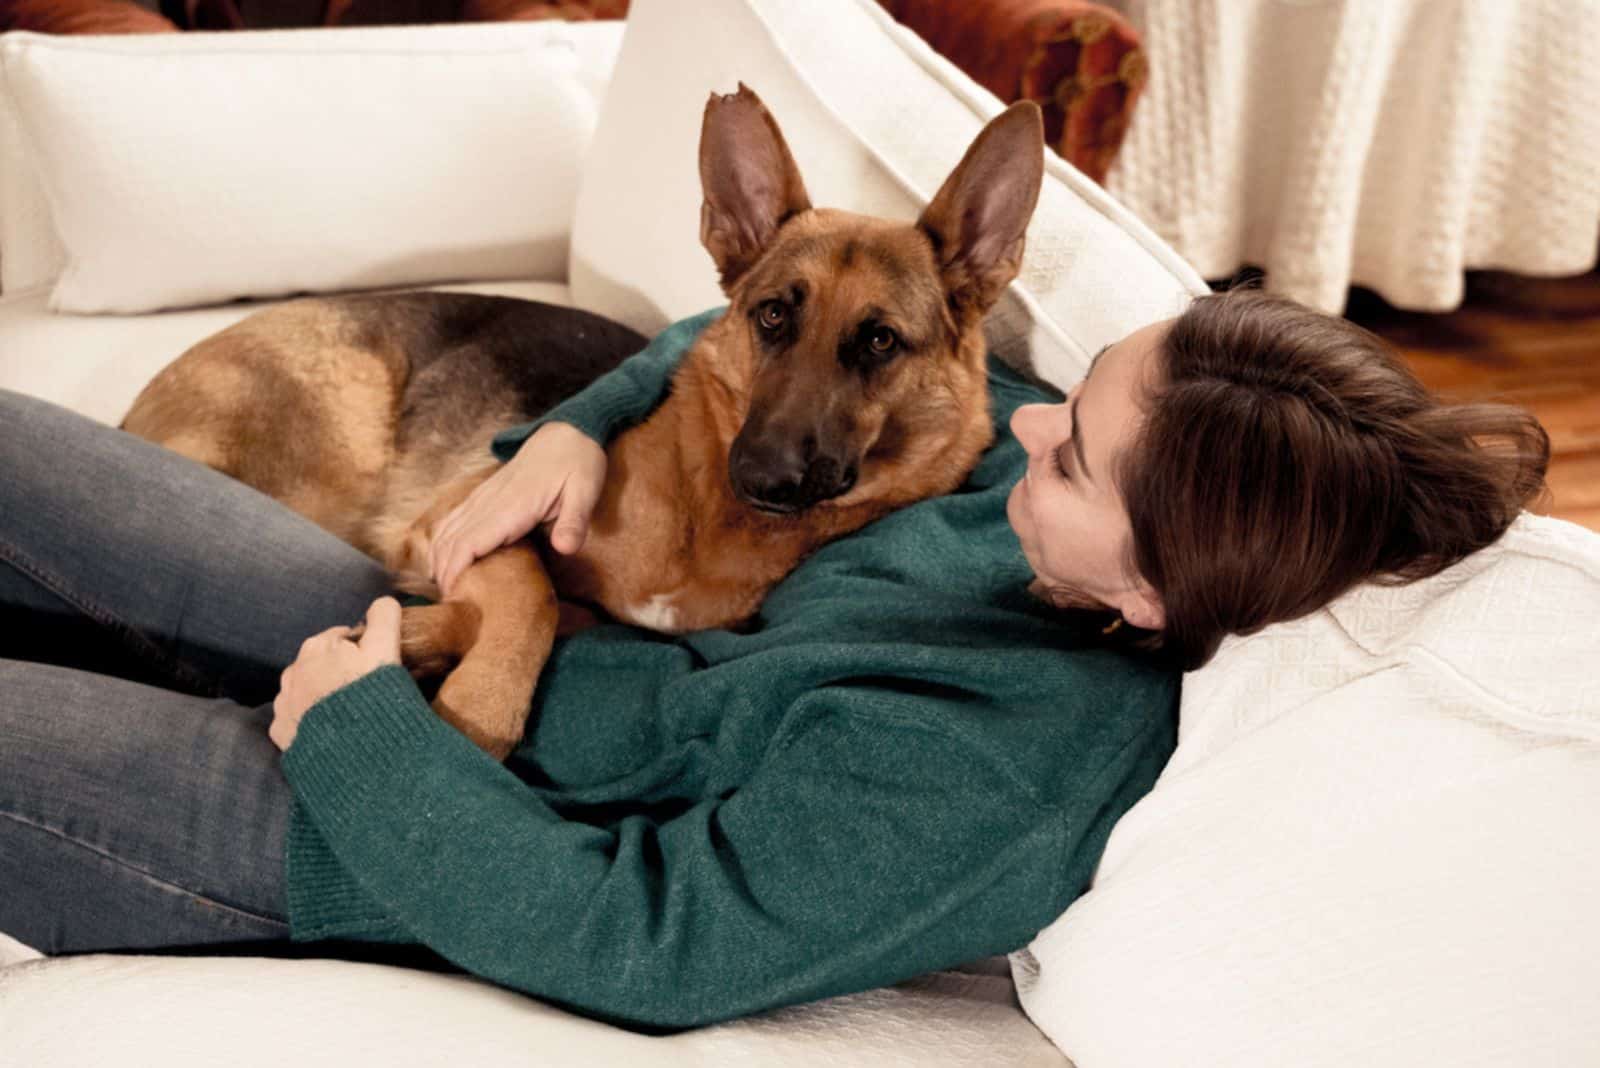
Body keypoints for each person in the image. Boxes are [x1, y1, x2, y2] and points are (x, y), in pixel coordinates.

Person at [0, 288, 1547, 1031]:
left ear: (1156, 595)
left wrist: (358, 740)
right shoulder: (1025, 523)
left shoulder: (1002, 762)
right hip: (449, 635)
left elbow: (649, 945)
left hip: (404, 831)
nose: (1022, 417)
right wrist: (577, 435)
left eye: (1071, 452)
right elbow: (755, 328)